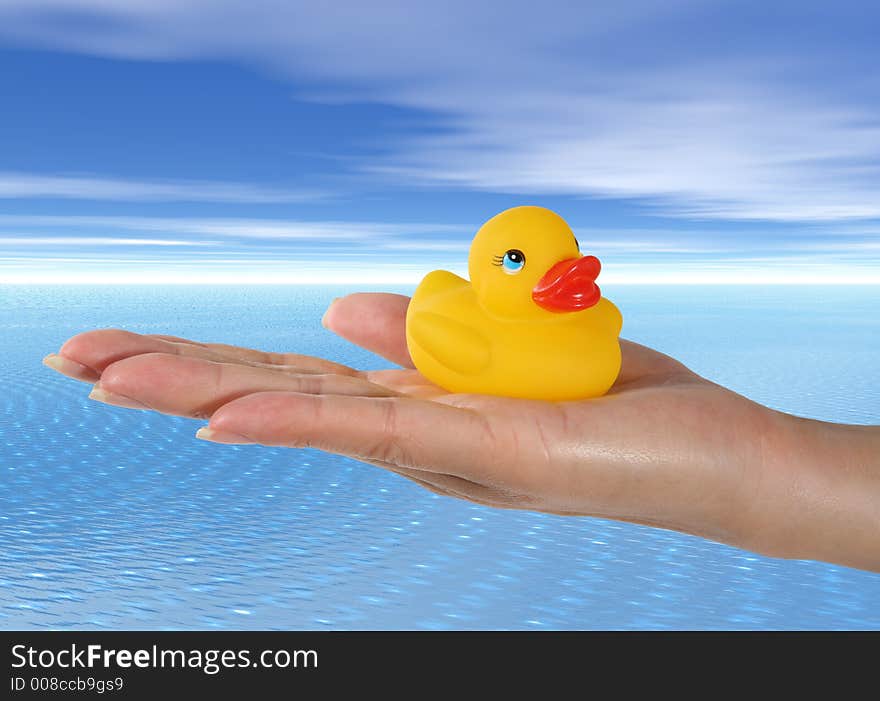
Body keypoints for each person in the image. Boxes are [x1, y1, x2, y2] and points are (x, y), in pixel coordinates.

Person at [42, 293, 880, 572]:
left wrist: (767, 472)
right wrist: (773, 473)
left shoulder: (593, 324)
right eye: (520, 264)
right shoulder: (470, 334)